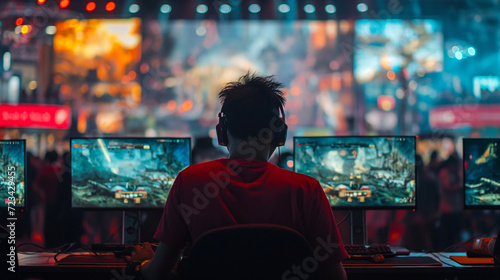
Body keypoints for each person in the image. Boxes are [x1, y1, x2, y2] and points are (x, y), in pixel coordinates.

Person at [127, 73, 348, 280]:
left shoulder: (190, 181)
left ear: (222, 132)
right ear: (279, 134)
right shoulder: (306, 189)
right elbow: (336, 277)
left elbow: (158, 273)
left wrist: (143, 262)